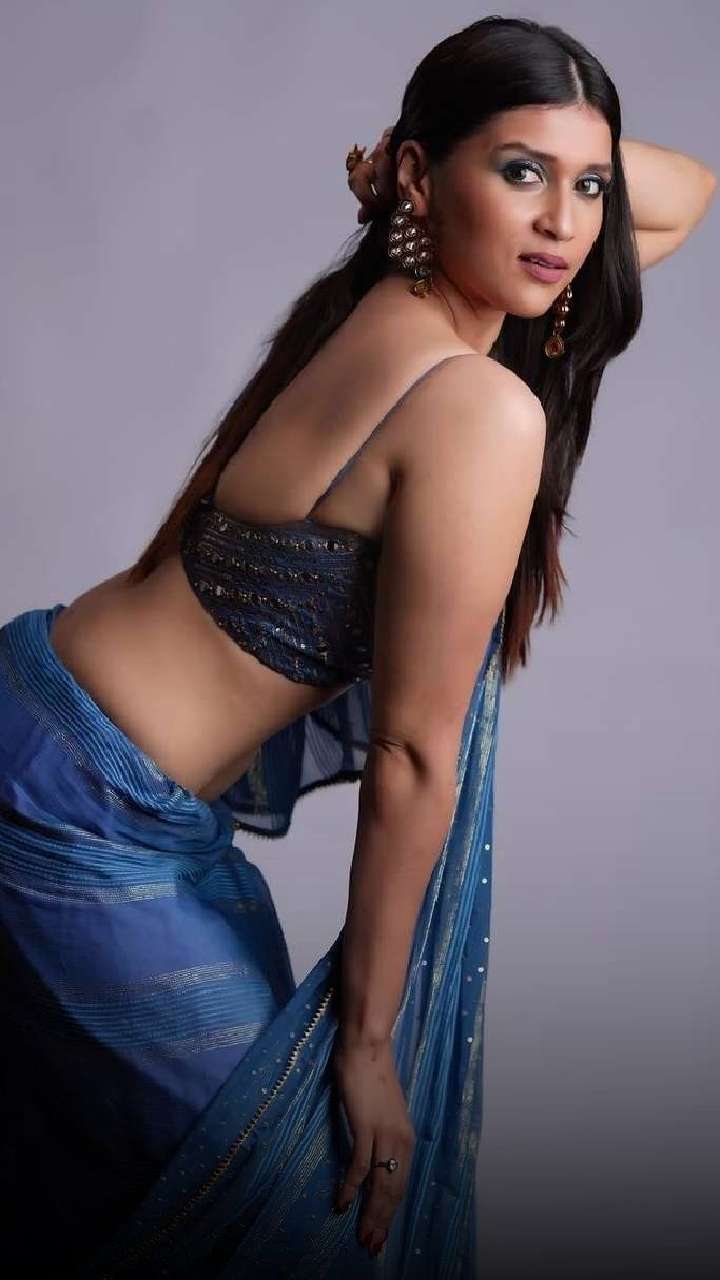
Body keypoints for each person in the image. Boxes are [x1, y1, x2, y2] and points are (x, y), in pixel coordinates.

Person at [0, 14, 714, 1279]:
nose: (563, 222)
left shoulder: (403, 310)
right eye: (521, 173)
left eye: (588, 185)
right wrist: (370, 1046)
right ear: (426, 178)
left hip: (60, 730)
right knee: (288, 1206)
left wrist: (454, 161)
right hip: (69, 820)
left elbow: (691, 193)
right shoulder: (475, 405)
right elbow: (413, 757)